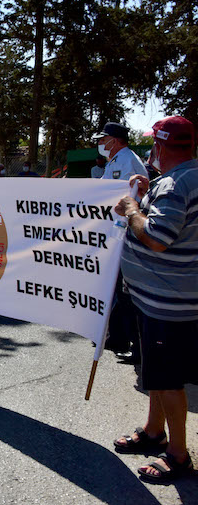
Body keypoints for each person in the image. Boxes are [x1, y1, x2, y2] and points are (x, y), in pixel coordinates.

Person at [112, 115, 197, 484]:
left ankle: (177, 454)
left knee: (167, 380)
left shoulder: (178, 184)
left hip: (168, 302)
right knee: (155, 373)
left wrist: (133, 209)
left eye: (154, 145)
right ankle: (153, 430)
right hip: (161, 299)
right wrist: (147, 195)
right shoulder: (184, 179)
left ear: (160, 147)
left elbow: (158, 237)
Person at [92, 122, 150, 360]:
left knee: (126, 290)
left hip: (127, 234)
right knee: (115, 286)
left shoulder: (129, 161)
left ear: (114, 140)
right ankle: (117, 336)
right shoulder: (116, 161)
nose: (100, 144)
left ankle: (132, 342)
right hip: (115, 232)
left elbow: (135, 197)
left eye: (102, 140)